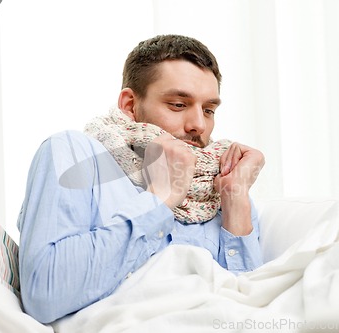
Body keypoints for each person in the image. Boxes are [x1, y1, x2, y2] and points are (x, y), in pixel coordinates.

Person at [17, 34, 266, 324]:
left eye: (209, 110)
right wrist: (160, 198)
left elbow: (251, 310)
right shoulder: (74, 154)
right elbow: (45, 295)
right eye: (178, 104)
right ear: (129, 105)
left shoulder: (220, 189)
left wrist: (235, 200)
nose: (199, 124)